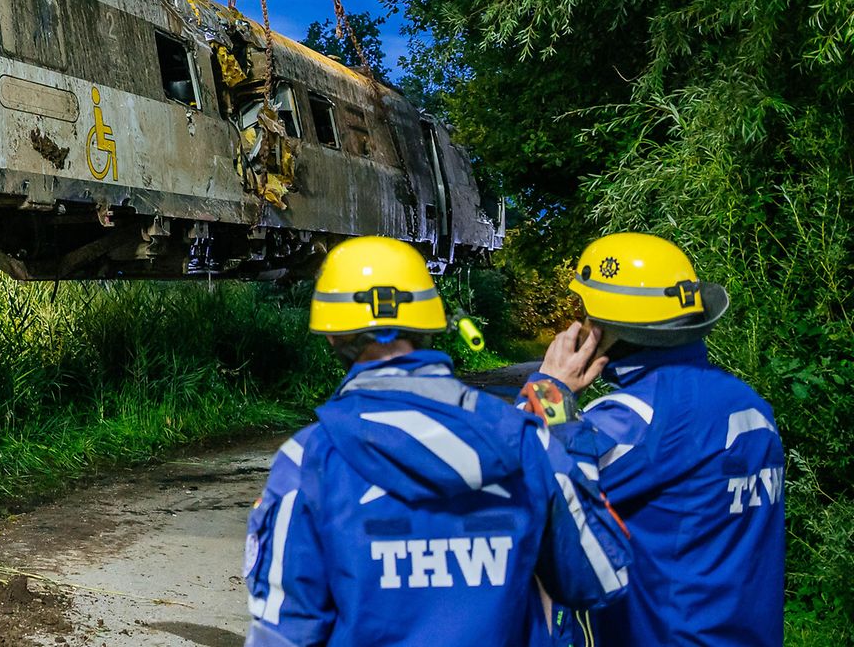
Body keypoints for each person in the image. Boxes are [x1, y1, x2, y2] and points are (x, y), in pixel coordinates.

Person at [243, 236, 631, 647]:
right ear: (433, 325)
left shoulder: (308, 461)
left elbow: (282, 635)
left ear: (331, 337)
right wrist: (560, 421)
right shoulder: (528, 443)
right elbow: (601, 577)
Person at [525, 232, 783, 646]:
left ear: (604, 329)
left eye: (584, 312)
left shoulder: (635, 419)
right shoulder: (750, 405)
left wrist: (548, 390)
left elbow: (522, 469)